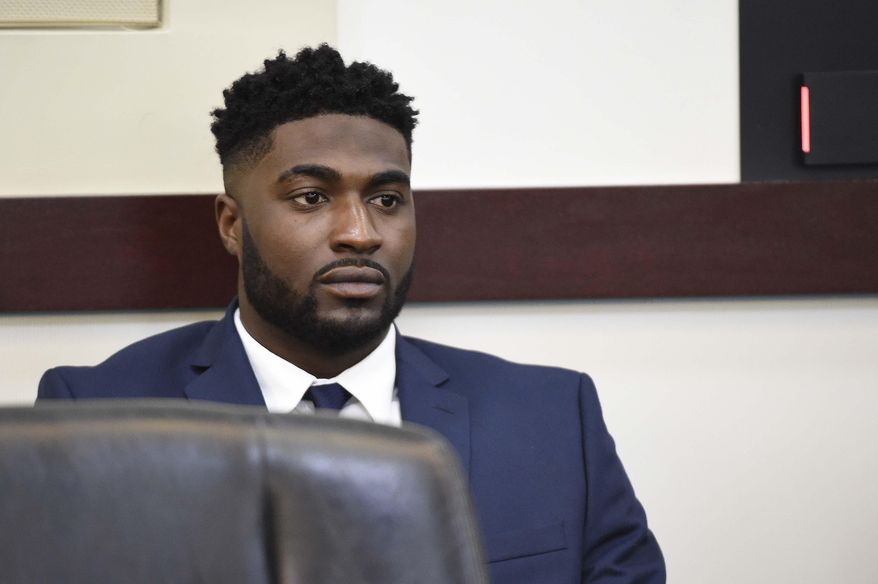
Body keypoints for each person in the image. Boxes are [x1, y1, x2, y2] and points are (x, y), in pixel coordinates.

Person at [38, 44, 665, 583]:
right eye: (312, 197)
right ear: (232, 224)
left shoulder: (554, 417)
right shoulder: (96, 417)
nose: (360, 233)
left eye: (387, 199)